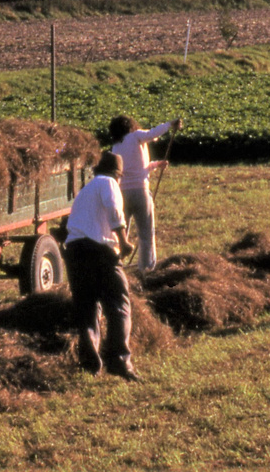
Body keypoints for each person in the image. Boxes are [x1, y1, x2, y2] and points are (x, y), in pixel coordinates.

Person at [63, 151, 138, 381]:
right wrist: (123, 242)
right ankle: (119, 361)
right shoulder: (109, 183)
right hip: (99, 252)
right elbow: (114, 208)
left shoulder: (85, 190)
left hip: (75, 252)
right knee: (119, 304)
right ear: (118, 174)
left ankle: (90, 365)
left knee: (87, 308)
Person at [107, 115, 181, 272]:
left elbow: (132, 168)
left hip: (122, 195)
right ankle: (146, 269)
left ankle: (115, 266)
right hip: (140, 192)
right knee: (146, 234)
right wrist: (170, 124)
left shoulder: (115, 146)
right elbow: (153, 133)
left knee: (121, 234)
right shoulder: (136, 136)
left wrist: (155, 165)